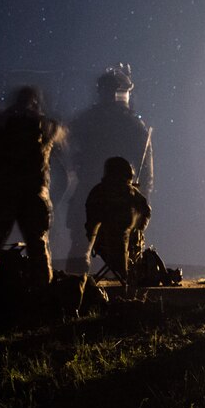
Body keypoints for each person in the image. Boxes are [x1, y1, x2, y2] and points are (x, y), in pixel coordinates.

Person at [0, 85, 66, 291]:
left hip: (3, 193)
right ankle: (42, 301)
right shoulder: (44, 124)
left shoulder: (3, 123)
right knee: (38, 248)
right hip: (34, 194)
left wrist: (3, 117)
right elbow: (61, 132)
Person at [65, 65, 152, 271]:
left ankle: (78, 286)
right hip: (112, 193)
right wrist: (142, 196)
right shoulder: (129, 123)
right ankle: (119, 286)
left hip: (96, 191)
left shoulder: (88, 120)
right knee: (97, 242)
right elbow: (145, 167)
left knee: (82, 242)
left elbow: (65, 141)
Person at [84, 156, 151, 297]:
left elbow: (90, 223)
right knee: (135, 234)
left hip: (102, 247)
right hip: (124, 249)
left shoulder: (97, 192)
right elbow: (146, 212)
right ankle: (129, 282)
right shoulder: (131, 193)